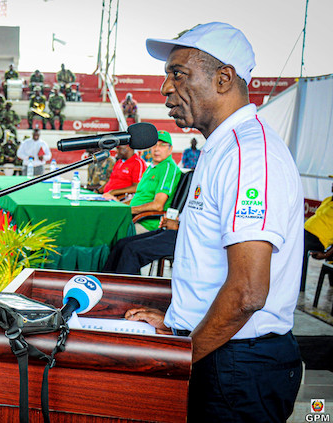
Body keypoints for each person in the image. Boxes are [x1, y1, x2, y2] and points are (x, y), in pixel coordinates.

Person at [125, 22, 303, 422]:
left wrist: (179, 357)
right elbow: (209, 270)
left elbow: (248, 292)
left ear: (224, 79)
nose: (166, 88)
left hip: (239, 367)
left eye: (179, 73)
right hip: (219, 349)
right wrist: (178, 318)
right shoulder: (221, 150)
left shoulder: (248, 156)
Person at [123, 130, 181, 234]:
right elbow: (139, 197)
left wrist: (129, 210)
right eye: (154, 145)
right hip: (133, 217)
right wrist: (118, 206)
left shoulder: (168, 168)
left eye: (162, 145)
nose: (157, 149)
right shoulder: (151, 168)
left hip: (146, 224)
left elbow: (158, 205)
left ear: (170, 149)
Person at [102, 216, 179, 274]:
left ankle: (121, 292)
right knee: (121, 244)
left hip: (183, 239)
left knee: (132, 250)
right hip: (174, 230)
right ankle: (104, 285)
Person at [302, 182, 333, 290]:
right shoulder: (328, 199)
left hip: (319, 239)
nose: (332, 184)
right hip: (307, 231)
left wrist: (326, 254)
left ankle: (299, 285)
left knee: (300, 245)